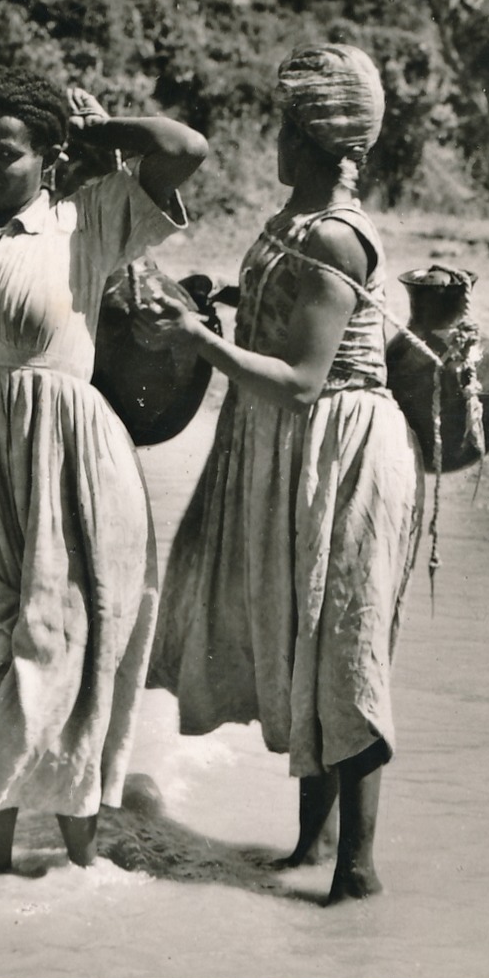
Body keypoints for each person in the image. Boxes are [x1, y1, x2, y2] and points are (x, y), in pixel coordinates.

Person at [0, 62, 207, 874]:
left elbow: (181, 147)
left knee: (65, 656)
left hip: (70, 470)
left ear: (51, 157)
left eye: (5, 152)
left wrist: (86, 129)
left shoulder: (90, 218)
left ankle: (81, 871)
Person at [142, 44, 424, 903]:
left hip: (340, 450)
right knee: (307, 637)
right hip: (297, 446)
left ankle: (357, 870)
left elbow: (303, 380)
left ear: (309, 139)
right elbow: (283, 326)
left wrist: (198, 344)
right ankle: (312, 843)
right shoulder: (291, 221)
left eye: (283, 125)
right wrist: (225, 307)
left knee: (343, 645)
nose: (273, 138)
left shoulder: (334, 234)